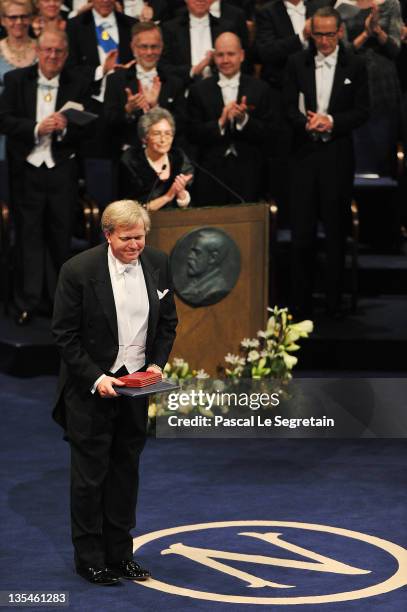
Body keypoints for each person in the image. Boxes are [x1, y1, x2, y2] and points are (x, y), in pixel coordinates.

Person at [52, 199, 178, 585]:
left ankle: (121, 554)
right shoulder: (77, 270)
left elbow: (168, 321)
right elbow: (65, 335)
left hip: (134, 391)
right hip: (91, 392)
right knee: (90, 478)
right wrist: (96, 376)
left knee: (125, 473)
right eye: (127, 238)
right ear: (107, 234)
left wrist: (156, 364)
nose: (135, 245)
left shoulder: (158, 263)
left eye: (140, 237)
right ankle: (89, 558)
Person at [0, 29, 92, 325]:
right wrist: (38, 127)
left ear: (66, 55)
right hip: (26, 170)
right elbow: (4, 120)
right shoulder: (16, 80)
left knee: (59, 237)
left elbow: (87, 127)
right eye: (48, 50)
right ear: (37, 51)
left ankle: (57, 304)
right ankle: (26, 302)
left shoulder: (77, 83)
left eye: (59, 52)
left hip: (62, 170)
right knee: (27, 236)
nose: (53, 56)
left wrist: (65, 127)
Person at [283, 6, 369, 317]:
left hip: (337, 158)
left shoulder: (355, 65)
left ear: (340, 32)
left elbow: (362, 111)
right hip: (303, 158)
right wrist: (304, 123)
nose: (324, 41)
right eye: (318, 34)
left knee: (335, 233)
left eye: (329, 34)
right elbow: (287, 107)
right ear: (311, 33)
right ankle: (300, 303)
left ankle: (334, 302)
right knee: (302, 235)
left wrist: (331, 121)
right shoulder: (296, 62)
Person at [187, 31, 273, 204]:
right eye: (220, 55)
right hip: (211, 172)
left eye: (231, 54)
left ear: (241, 55)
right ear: (213, 57)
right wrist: (220, 122)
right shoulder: (199, 90)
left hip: (250, 171)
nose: (225, 60)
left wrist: (244, 120)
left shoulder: (260, 88)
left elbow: (270, 133)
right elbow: (192, 133)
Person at [104, 21, 185, 157]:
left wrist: (156, 108)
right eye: (143, 47)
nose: (149, 52)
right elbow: (107, 123)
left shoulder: (174, 82)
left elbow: (182, 124)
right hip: (127, 158)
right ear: (133, 48)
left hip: (166, 158)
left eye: (154, 47)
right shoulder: (116, 80)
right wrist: (128, 110)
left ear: (161, 47)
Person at [119, 106, 193, 210]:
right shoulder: (131, 160)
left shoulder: (179, 159)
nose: (163, 139)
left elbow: (189, 208)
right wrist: (167, 197)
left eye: (168, 133)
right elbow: (131, 211)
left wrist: (181, 194)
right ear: (145, 137)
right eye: (157, 134)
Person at [160, 0, 233, 86]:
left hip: (219, 90)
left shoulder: (226, 28)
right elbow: (163, 67)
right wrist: (193, 71)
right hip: (181, 91)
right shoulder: (170, 29)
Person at [0, 0, 37, 160]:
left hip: (37, 133)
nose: (19, 22)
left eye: (24, 16)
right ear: (2, 20)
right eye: (12, 17)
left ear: (31, 18)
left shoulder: (44, 50)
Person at [182, 229, 230, 304]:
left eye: (197, 252)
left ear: (212, 258)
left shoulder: (217, 290)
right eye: (191, 251)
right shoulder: (195, 285)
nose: (189, 256)